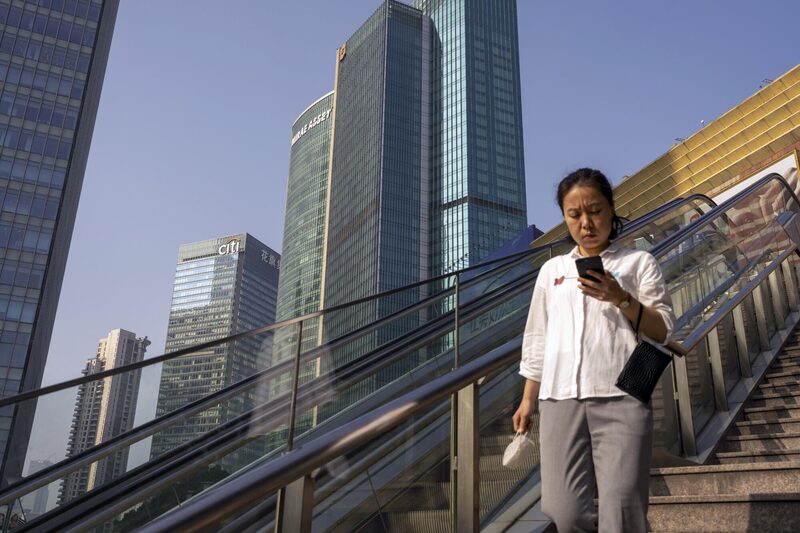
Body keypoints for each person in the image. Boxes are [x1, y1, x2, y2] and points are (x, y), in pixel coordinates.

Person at [513, 168, 676, 532]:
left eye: (595, 210)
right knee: (562, 510)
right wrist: (527, 398)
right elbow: (537, 335)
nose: (586, 223)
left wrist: (620, 297)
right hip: (559, 400)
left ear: (611, 209)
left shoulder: (638, 263)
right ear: (565, 218)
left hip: (622, 395)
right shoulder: (552, 270)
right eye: (574, 214)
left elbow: (663, 329)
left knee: (621, 510)